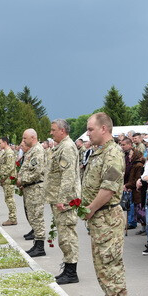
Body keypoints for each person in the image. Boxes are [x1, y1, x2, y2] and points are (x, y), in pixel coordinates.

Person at [83, 113, 129, 296]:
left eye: (90, 129)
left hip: (107, 216)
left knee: (111, 264)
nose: (88, 133)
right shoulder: (98, 152)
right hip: (99, 219)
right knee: (102, 265)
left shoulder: (113, 153)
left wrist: (90, 208)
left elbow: (109, 188)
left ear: (104, 129)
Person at [46, 119, 81, 284]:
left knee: (67, 236)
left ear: (62, 130)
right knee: (63, 235)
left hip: (65, 200)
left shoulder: (67, 147)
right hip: (60, 198)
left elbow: (68, 176)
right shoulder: (61, 146)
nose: (51, 133)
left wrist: (62, 199)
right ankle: (68, 267)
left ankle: (71, 272)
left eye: (53, 130)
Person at [17, 129, 47, 257]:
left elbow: (37, 172)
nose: (23, 141)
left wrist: (22, 180)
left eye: (25, 138)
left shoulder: (38, 151)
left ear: (33, 137)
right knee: (33, 217)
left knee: (37, 217)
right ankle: (36, 244)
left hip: (36, 189)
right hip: (30, 188)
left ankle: (40, 247)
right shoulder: (32, 151)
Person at [0, 137, 18, 226]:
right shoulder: (5, 152)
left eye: (0, 143)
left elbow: (10, 167)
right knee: (8, 199)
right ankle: (12, 217)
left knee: (9, 199)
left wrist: (3, 178)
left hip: (9, 179)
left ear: (5, 143)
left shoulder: (9, 153)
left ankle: (13, 218)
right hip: (6, 179)